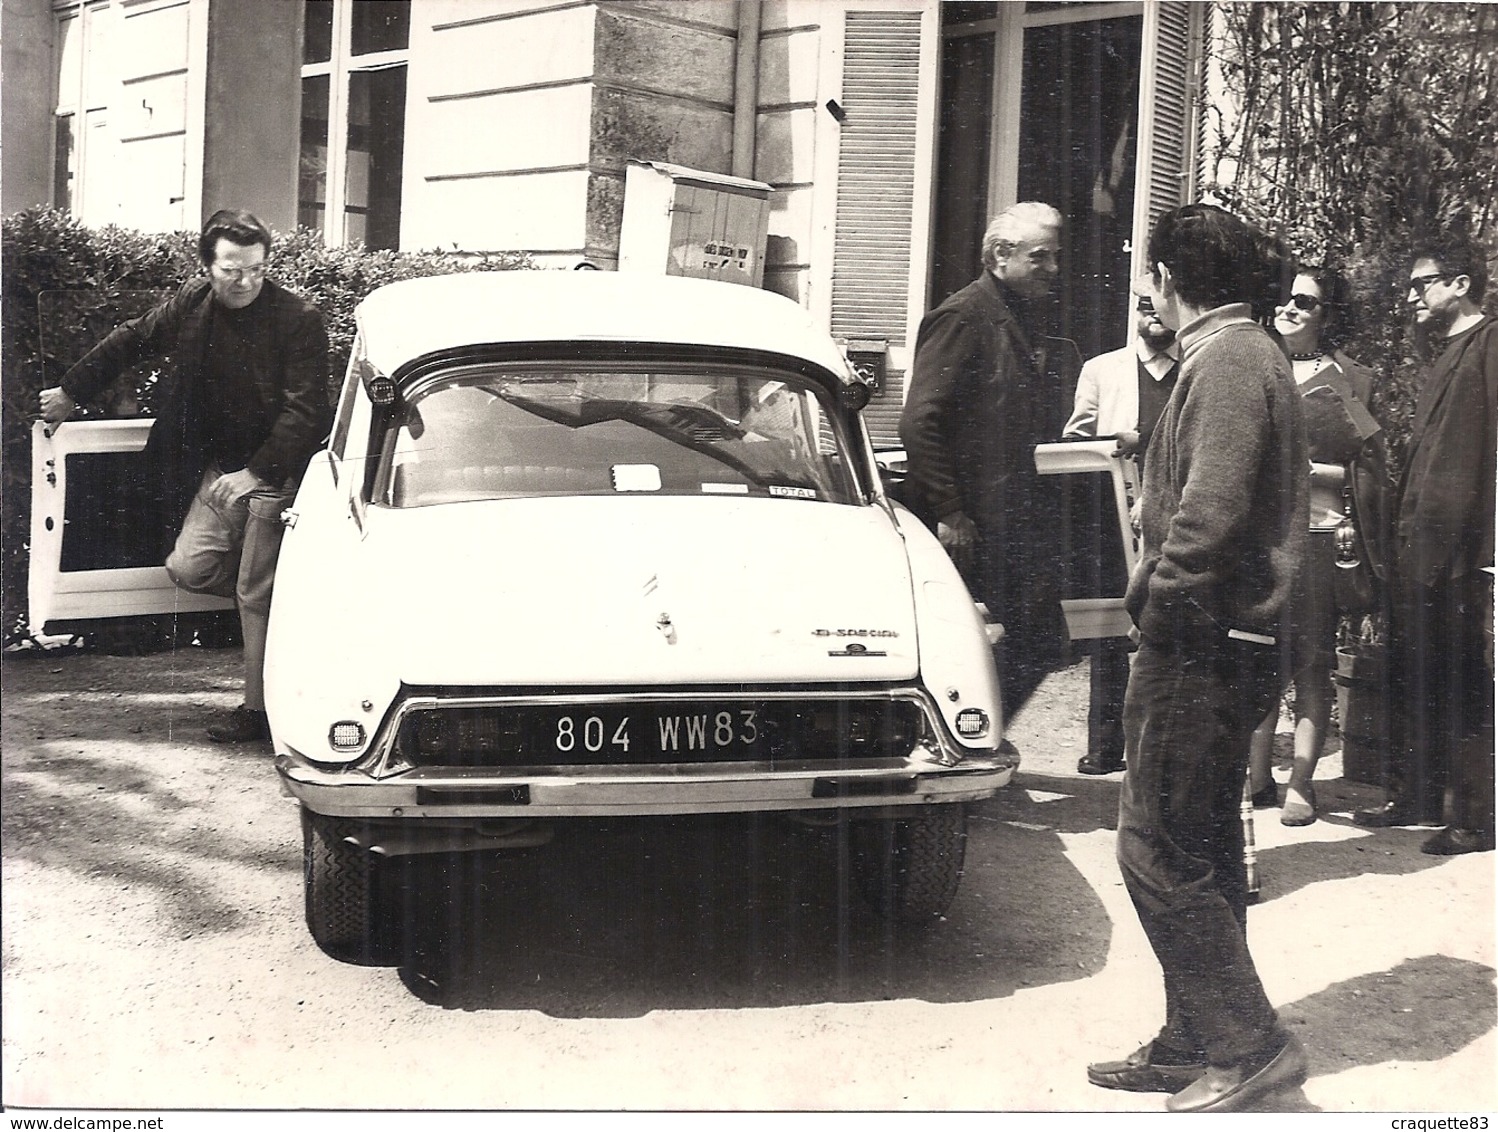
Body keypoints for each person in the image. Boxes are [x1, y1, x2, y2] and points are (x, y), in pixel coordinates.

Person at [1086, 204, 1309, 1112]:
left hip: (1199, 639)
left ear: (1168, 281)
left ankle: (1248, 1044)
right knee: (1205, 842)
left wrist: (1150, 601)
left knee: (1156, 848)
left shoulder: (1228, 362)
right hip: (1226, 638)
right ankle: (1192, 1036)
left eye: (1151, 276)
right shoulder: (1245, 354)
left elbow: (1209, 517)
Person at [39, 209, 331, 745]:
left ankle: (258, 713)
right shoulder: (194, 303)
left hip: (274, 475)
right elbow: (131, 339)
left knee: (254, 593)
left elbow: (305, 411)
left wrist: (255, 473)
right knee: (189, 569)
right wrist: (70, 391)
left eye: (257, 269)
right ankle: (301, 605)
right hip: (220, 472)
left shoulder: (299, 318)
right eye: (232, 270)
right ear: (208, 266)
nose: (245, 281)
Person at [900, 201, 1078, 720]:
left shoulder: (1024, 319)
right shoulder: (963, 316)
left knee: (1039, 641)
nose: (1053, 270)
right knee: (986, 641)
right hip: (973, 521)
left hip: (1016, 519)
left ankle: (978, 732)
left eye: (1055, 258)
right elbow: (919, 421)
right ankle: (961, 735)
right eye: (1041, 258)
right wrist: (951, 508)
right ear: (1002, 254)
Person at [1353, 232, 1495, 854]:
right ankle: (1414, 794)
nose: (1411, 295)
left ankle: (1475, 817)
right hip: (1419, 545)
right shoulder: (1448, 351)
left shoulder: (1489, 344)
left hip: (1460, 551)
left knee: (1463, 679)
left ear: (1460, 284)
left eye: (1422, 283)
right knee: (1417, 672)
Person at [1247, 265, 1386, 825]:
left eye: (1305, 301)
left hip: (1318, 539)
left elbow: (1370, 466)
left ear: (1326, 316)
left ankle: (1301, 782)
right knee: (1253, 656)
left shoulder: (1351, 378)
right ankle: (1257, 774)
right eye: (1284, 298)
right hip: (1258, 542)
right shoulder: (1255, 363)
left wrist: (1312, 470)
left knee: (1311, 664)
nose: (1291, 309)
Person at [1063, 294, 1179, 774]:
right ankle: (1106, 745)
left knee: (1169, 630)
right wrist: (1113, 446)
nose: (1151, 315)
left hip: (1177, 519)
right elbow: (1073, 441)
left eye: (1159, 306)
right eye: (1142, 306)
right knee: (1111, 632)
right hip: (1116, 521)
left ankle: (1160, 748)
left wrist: (1148, 439)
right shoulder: (1102, 369)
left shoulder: (1194, 367)